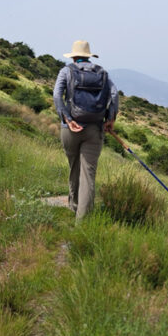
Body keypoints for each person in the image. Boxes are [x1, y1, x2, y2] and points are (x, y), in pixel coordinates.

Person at [53, 40, 119, 219]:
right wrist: (110, 119)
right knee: (88, 173)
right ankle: (82, 221)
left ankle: (73, 207)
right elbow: (114, 94)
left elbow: (57, 95)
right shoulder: (102, 72)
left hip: (70, 128)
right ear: (89, 56)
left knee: (74, 167)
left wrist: (67, 118)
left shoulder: (66, 71)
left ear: (74, 56)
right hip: (94, 129)